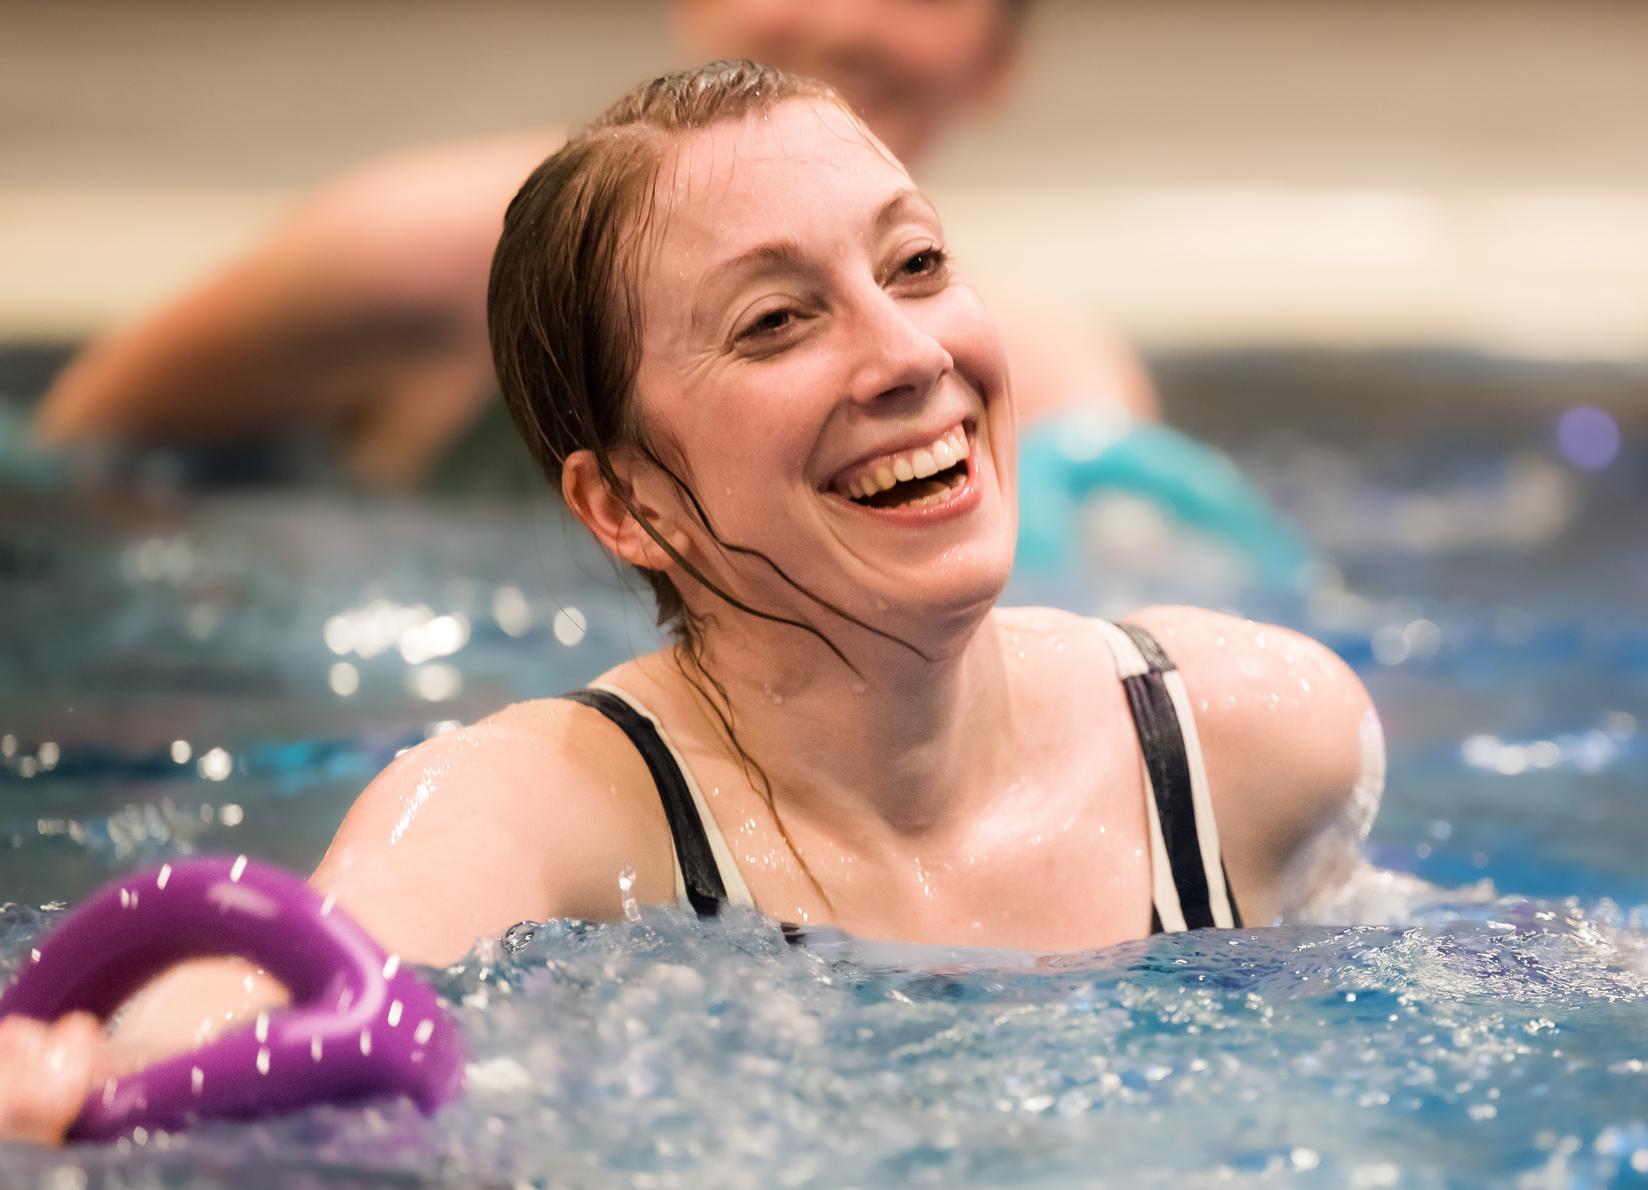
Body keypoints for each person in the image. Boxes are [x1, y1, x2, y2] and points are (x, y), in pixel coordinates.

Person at [0, 60, 1381, 1144]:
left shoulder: (1245, 742)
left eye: (914, 265)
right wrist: (84, 1074)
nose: (909, 355)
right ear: (624, 506)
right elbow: (290, 992)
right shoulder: (536, 814)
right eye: (776, 321)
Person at [33, 0, 1156, 487]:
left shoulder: (1048, 381)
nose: (841, 24)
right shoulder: (413, 255)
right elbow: (72, 469)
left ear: (995, 63)